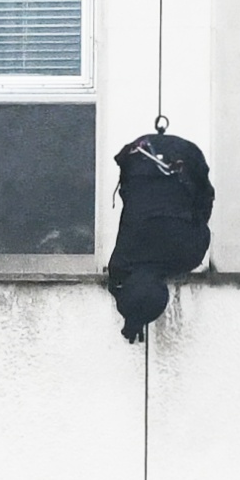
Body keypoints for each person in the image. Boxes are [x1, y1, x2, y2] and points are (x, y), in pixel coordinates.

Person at [102, 126, 211, 342]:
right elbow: (115, 284)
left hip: (175, 158)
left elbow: (203, 221)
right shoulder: (124, 261)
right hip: (145, 157)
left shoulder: (188, 258)